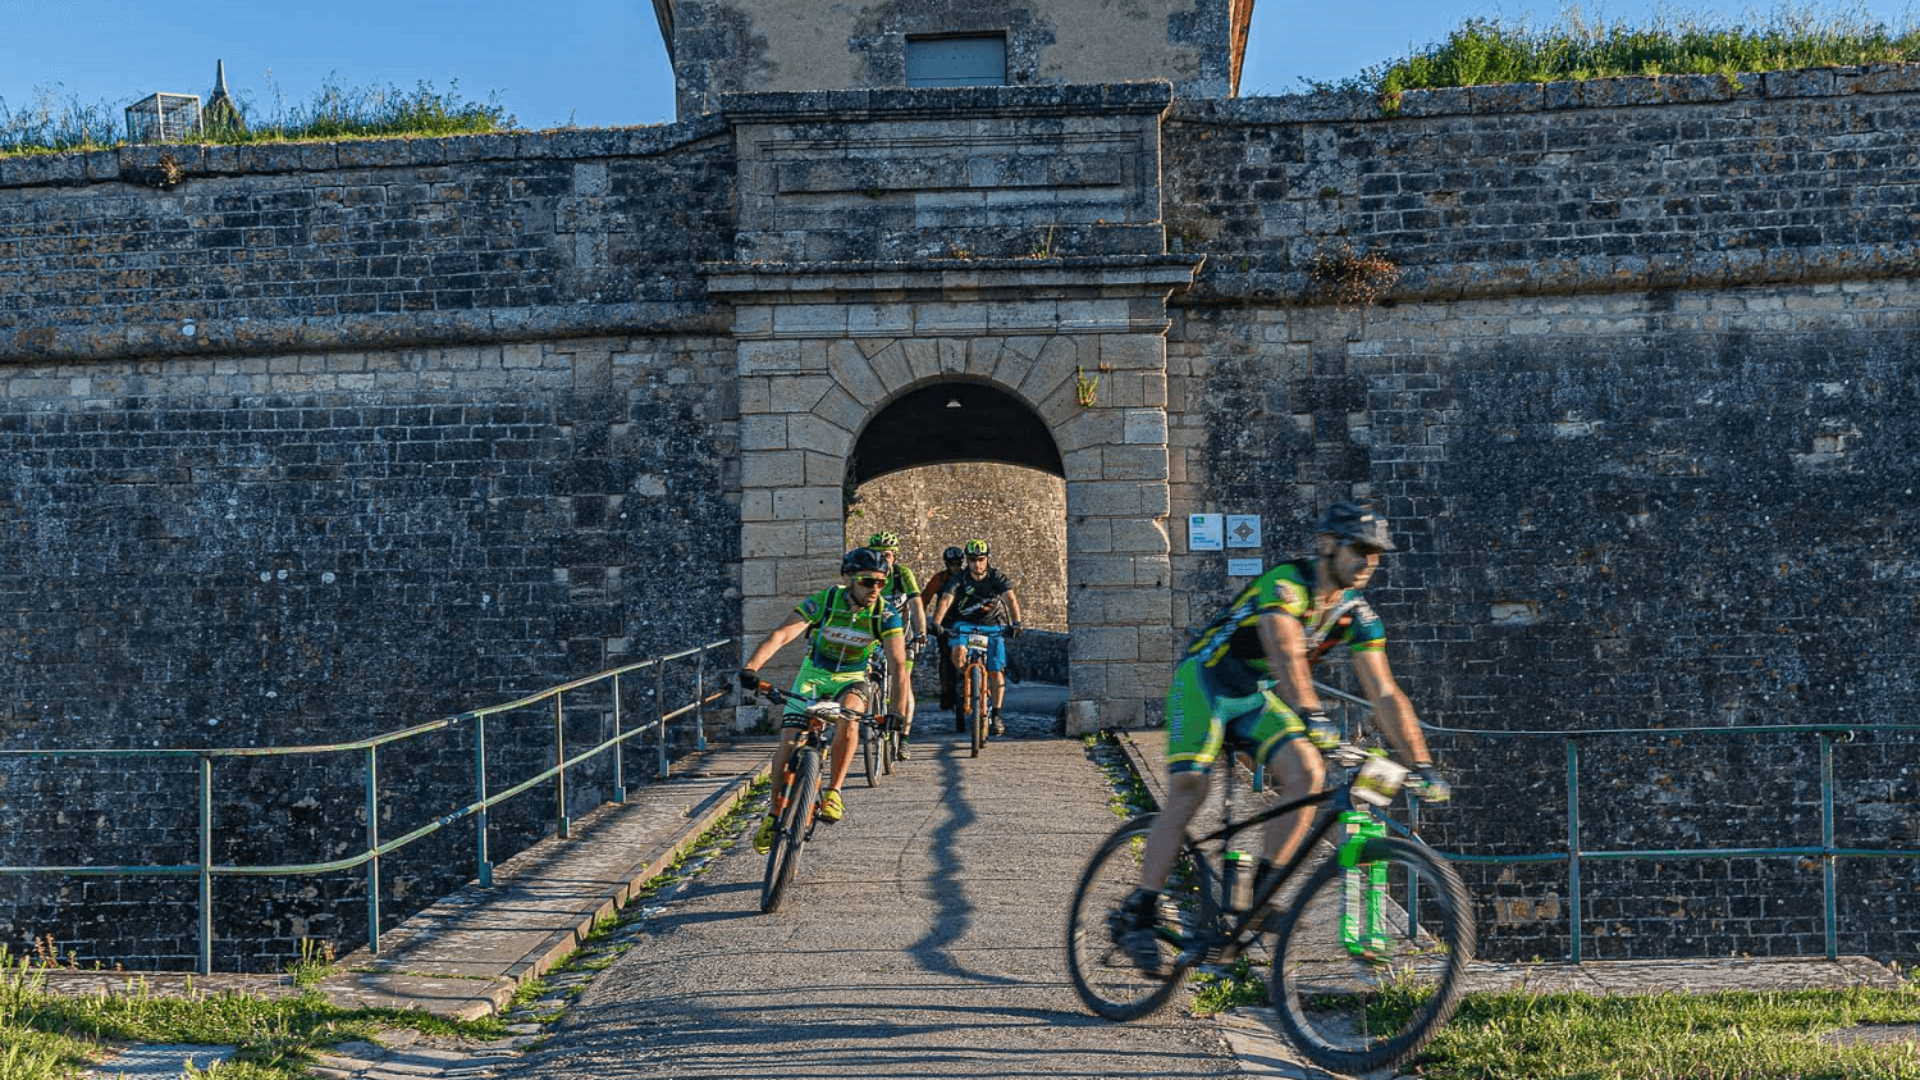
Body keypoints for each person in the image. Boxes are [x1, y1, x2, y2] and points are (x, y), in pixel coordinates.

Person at [1117, 501, 1450, 972]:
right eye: (1359, 548)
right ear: (1327, 544)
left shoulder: (1357, 613)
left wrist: (1422, 764)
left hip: (1253, 697)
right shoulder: (1285, 584)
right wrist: (1312, 715)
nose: (1367, 562)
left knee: (1308, 774)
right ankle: (1141, 909)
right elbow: (1286, 649)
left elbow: (1385, 691)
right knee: (1191, 787)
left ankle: (1261, 895)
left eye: (1375, 554)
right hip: (1206, 683)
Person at [738, 547, 910, 854]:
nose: (875, 589)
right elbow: (781, 635)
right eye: (867, 582)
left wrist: (897, 712)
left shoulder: (885, 614)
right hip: (814, 675)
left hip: (852, 677)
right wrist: (752, 668)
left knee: (851, 716)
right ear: (849, 578)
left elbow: (898, 666)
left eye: (881, 583)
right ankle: (774, 814)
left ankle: (833, 792)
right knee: (789, 741)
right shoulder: (825, 602)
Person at [928, 538, 1023, 737]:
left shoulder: (997, 577)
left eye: (981, 559)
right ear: (967, 561)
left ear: (987, 559)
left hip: (992, 628)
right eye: (972, 560)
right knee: (957, 651)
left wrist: (1016, 622)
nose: (977, 564)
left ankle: (996, 714)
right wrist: (936, 622)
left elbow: (1010, 599)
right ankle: (966, 679)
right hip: (966, 626)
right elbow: (946, 600)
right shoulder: (959, 579)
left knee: (997, 673)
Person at [866, 531, 927, 759]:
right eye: (878, 555)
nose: (883, 559)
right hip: (876, 636)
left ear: (895, 557)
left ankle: (904, 738)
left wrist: (921, 632)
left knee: (903, 684)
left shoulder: (902, 575)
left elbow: (915, 603)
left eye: (888, 555)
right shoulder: (868, 576)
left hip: (903, 636)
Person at [921, 546, 966, 712]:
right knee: (946, 657)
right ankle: (947, 692)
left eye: (958, 563)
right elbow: (924, 599)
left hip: (967, 621)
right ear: (946, 564)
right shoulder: (938, 579)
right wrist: (924, 622)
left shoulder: (968, 577)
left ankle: (979, 685)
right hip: (946, 623)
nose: (955, 567)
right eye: (952, 564)